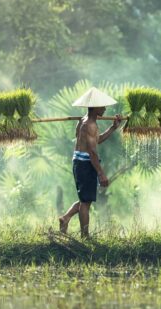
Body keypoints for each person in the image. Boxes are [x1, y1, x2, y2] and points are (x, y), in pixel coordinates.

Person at [59, 87, 122, 238]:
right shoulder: (90, 125)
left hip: (79, 161)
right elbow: (93, 152)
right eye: (102, 106)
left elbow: (97, 140)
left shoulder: (83, 121)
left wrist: (113, 128)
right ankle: (85, 236)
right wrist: (101, 173)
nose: (105, 108)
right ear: (95, 108)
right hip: (85, 163)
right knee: (86, 203)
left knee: (84, 199)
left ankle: (65, 218)